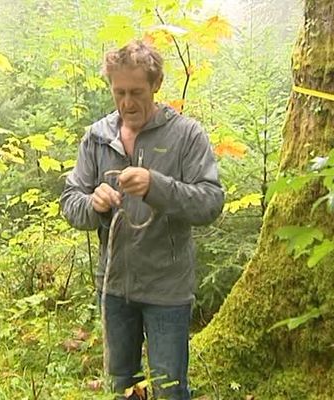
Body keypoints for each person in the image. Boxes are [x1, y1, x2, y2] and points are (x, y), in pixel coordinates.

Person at [60, 40, 224, 400]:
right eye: (119, 92)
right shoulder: (98, 137)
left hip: (168, 290)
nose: (127, 103)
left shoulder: (186, 135)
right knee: (122, 387)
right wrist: (94, 204)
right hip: (114, 287)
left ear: (156, 85)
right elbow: (70, 202)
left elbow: (211, 203)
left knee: (169, 389)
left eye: (136, 91)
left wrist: (156, 186)